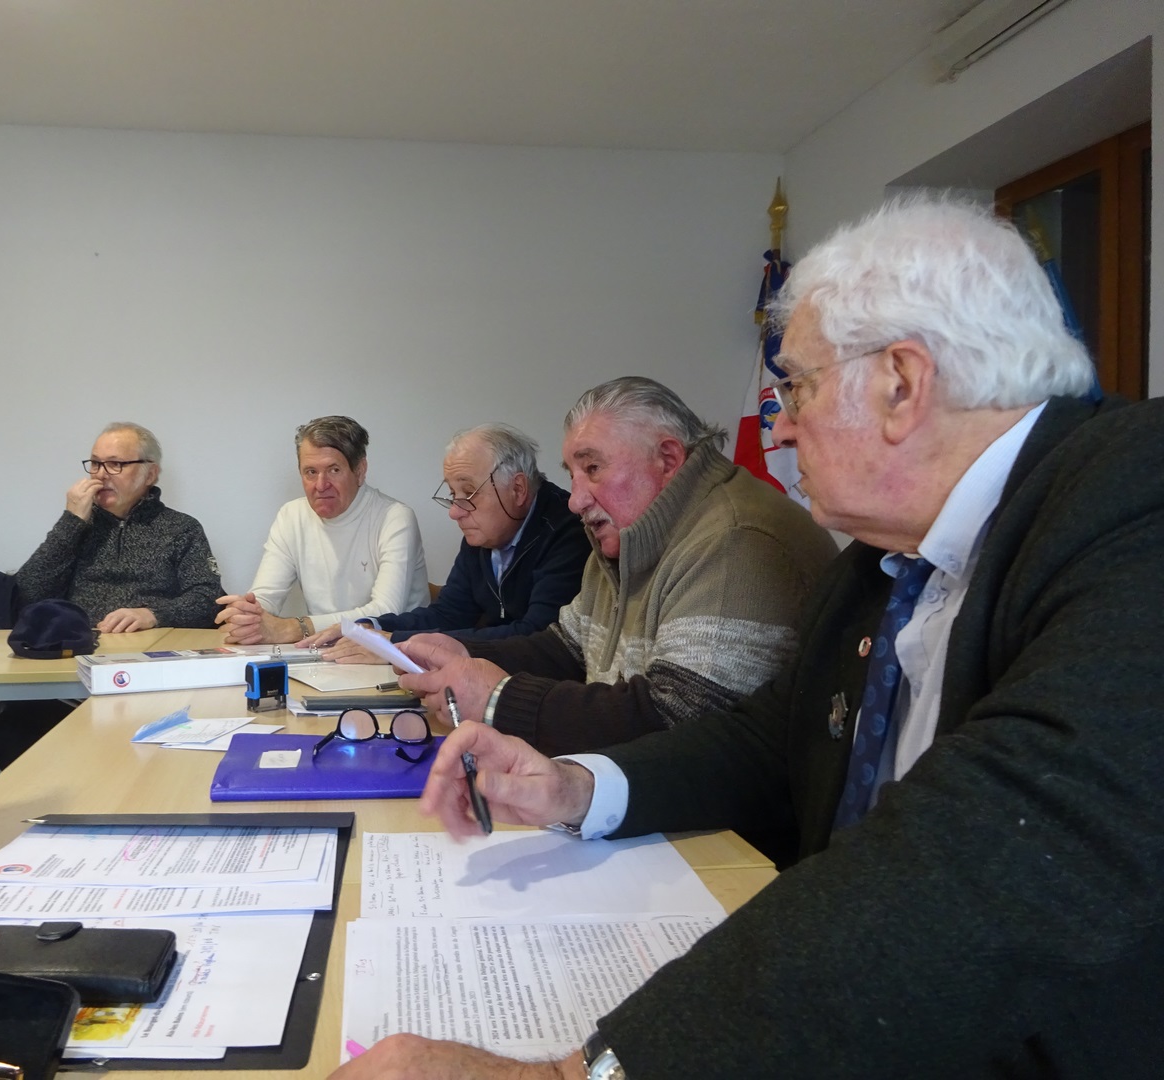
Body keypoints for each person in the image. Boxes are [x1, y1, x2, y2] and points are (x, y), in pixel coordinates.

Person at [335, 196, 1164, 1078]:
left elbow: (990, 862)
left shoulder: (1135, 500)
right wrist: (577, 787)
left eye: (797, 386)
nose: (783, 426)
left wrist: (577, 1074)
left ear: (901, 383)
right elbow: (769, 742)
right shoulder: (877, 565)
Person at [395, 377, 837, 757]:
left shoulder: (736, 540)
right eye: (573, 474)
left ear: (668, 460)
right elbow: (566, 650)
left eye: (593, 468)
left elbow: (680, 721)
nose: (575, 500)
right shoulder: (623, 536)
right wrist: (466, 654)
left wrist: (499, 699)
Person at [304, 424, 590, 651]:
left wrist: (396, 642)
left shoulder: (568, 531)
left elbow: (537, 634)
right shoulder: (483, 533)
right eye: (453, 494)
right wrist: (369, 627)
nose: (455, 512)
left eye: (468, 493)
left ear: (517, 489)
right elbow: (449, 614)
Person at [215, 415, 429, 644]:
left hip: (394, 652)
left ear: (360, 470)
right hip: (325, 651)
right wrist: (249, 615)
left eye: (334, 470)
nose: (321, 485)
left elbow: (386, 612)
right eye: (310, 472)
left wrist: (294, 628)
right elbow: (266, 598)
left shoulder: (395, 517)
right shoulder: (291, 515)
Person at [15, 421, 224, 631]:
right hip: (83, 640)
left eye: (115, 464)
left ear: (150, 474)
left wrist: (153, 614)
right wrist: (71, 522)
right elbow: (25, 595)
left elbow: (208, 599)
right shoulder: (76, 527)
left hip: (152, 643)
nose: (100, 474)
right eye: (95, 464)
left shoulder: (181, 528)